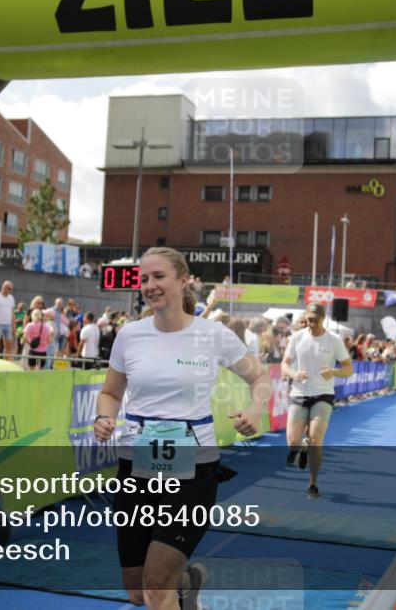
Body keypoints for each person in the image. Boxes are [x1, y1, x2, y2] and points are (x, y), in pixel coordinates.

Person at [93, 247, 271, 610]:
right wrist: (103, 418)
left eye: (159, 276)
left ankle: (175, 586)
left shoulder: (213, 335)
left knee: (157, 585)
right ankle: (188, 586)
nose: (150, 285)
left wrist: (256, 407)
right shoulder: (130, 335)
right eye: (144, 278)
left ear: (183, 280)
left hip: (193, 471)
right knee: (136, 589)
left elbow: (260, 377)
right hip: (136, 468)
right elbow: (110, 393)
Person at [281, 303, 354, 499]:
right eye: (309, 319)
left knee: (316, 439)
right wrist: (294, 374)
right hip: (299, 393)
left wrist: (334, 372)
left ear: (323, 319)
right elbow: (284, 364)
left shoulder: (334, 340)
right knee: (292, 442)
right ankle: (301, 447)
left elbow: (349, 368)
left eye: (316, 319)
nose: (312, 323)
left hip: (323, 394)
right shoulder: (297, 337)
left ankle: (313, 483)